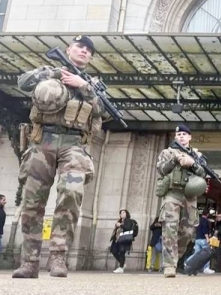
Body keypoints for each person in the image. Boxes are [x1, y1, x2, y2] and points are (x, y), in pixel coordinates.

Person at [13, 35, 104, 279]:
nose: (84, 51)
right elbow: (22, 82)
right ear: (68, 50)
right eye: (80, 47)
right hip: (43, 142)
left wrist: (82, 85)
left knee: (72, 195)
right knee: (33, 200)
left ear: (91, 57)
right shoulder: (49, 71)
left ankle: (58, 257)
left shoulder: (92, 83)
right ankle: (29, 262)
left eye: (88, 50)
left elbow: (102, 110)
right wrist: (53, 74)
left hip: (74, 146)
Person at [155, 124, 208, 278]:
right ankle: (169, 265)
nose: (181, 137)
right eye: (179, 135)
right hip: (173, 193)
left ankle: (176, 260)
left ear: (190, 137)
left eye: (185, 134)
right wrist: (175, 160)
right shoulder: (167, 152)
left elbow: (204, 173)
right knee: (170, 228)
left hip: (190, 196)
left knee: (188, 231)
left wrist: (192, 163)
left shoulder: (196, 155)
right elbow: (161, 169)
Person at [185, 209, 215, 274]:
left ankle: (187, 262)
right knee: (207, 253)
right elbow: (205, 229)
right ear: (207, 214)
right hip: (203, 239)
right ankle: (206, 268)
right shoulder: (205, 221)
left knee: (196, 254)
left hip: (197, 239)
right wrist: (207, 238)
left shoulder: (198, 220)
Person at [110, 209, 134, 273]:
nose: (122, 214)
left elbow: (128, 228)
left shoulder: (128, 220)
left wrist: (120, 225)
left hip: (124, 239)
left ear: (126, 214)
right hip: (117, 239)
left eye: (123, 212)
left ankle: (121, 267)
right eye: (121, 213)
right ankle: (122, 264)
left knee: (122, 252)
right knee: (113, 251)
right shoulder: (120, 220)